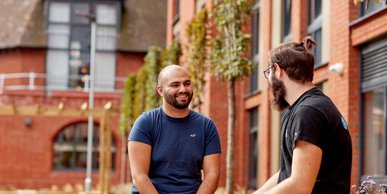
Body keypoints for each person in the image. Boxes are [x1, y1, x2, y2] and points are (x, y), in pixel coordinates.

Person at [253, 37, 352, 194]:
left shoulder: (309, 112)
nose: (269, 81)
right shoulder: (301, 109)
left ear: (278, 70)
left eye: (268, 73)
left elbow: (299, 185)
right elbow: (287, 173)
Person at [128, 64, 222, 194]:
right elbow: (139, 176)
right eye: (175, 85)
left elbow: (212, 175)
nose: (183, 89)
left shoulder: (206, 126)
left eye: (187, 83)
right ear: (160, 90)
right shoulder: (145, 123)